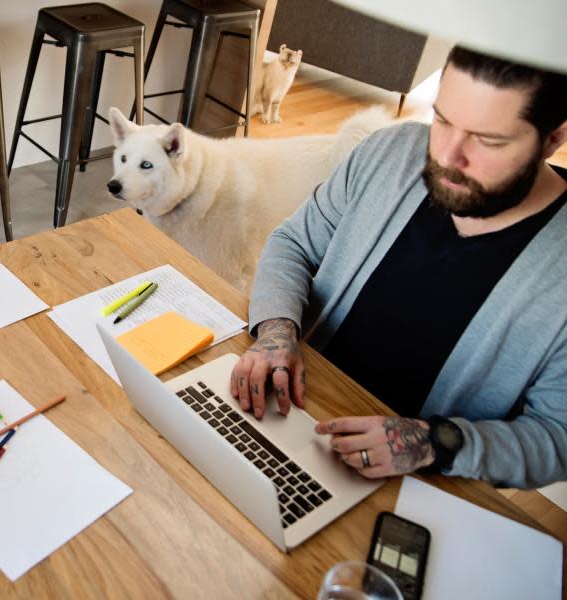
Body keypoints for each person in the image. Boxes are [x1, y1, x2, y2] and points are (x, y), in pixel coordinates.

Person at [230, 46, 567, 489]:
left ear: (553, 138)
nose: (448, 155)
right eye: (443, 120)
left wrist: (436, 442)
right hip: (296, 411)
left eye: (488, 140)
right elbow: (293, 243)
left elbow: (556, 438)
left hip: (420, 482)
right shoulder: (390, 152)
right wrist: (276, 334)